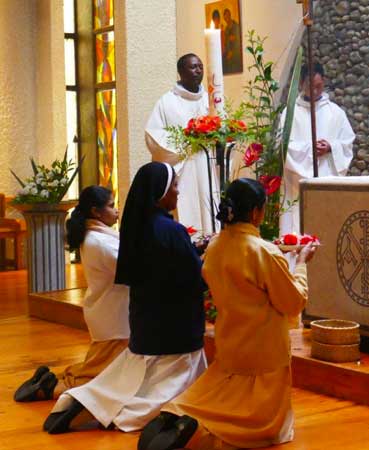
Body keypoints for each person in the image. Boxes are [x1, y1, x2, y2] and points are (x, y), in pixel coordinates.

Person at [137, 178, 317, 450]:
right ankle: (201, 430)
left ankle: (178, 414)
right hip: (264, 350)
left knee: (216, 395)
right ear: (255, 212)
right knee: (262, 423)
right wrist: (301, 263)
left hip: (231, 343)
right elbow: (293, 302)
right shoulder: (263, 252)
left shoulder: (217, 245)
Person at [43, 162, 208, 434]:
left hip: (143, 319)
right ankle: (139, 416)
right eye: (175, 186)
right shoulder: (170, 230)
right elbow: (192, 277)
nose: (178, 192)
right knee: (165, 388)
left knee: (131, 379)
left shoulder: (137, 227)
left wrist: (191, 251)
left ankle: (88, 400)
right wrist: (208, 261)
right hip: (174, 325)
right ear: (160, 192)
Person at [13, 186, 129, 402]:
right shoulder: (99, 241)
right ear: (96, 212)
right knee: (101, 377)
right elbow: (131, 270)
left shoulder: (98, 236)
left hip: (110, 313)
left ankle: (52, 382)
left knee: (104, 370)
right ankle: (51, 388)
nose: (116, 211)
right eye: (112, 206)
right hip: (114, 317)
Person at [145, 53, 219, 234]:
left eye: (200, 66)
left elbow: (222, 131)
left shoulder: (210, 101)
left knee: (210, 213)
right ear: (180, 72)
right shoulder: (166, 102)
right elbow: (153, 136)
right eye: (193, 67)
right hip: (182, 169)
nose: (198, 70)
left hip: (207, 166)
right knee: (187, 214)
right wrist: (186, 143)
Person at [280, 62, 355, 236]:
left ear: (324, 82)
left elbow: (347, 143)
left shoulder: (335, 113)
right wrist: (309, 149)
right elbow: (283, 146)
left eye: (318, 86)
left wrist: (331, 147)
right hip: (297, 182)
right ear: (301, 83)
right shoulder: (290, 114)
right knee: (299, 225)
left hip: (327, 177)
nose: (314, 91)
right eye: (309, 86)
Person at [223, 8, 242, 73]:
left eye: (227, 17)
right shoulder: (226, 29)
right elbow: (226, 43)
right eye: (225, 18)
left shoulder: (236, 26)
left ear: (230, 15)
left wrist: (232, 52)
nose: (226, 19)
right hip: (228, 55)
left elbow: (239, 42)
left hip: (236, 55)